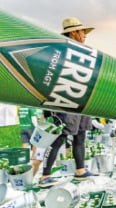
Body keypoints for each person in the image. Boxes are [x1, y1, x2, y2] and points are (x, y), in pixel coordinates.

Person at [39, 17, 97, 188]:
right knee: (60, 136)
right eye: (82, 32)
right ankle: (45, 176)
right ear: (73, 32)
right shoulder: (61, 50)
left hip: (82, 101)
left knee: (80, 135)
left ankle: (80, 170)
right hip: (66, 100)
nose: (84, 36)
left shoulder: (84, 51)